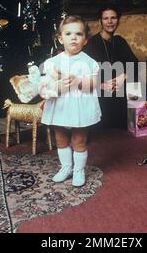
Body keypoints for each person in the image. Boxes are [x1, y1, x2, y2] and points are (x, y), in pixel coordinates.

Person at [40, 15, 101, 187]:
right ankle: (66, 167)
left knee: (79, 140)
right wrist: (55, 85)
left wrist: (78, 80)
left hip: (80, 106)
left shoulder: (89, 62)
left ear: (85, 40)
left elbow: (92, 85)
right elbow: (46, 84)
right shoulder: (52, 62)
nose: (73, 37)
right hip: (60, 104)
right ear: (60, 38)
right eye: (68, 34)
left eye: (78, 34)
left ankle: (79, 170)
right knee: (61, 139)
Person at [83, 6, 138, 128]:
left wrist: (122, 77)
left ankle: (135, 121)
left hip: (119, 86)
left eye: (113, 18)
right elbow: (85, 74)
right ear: (100, 21)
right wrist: (102, 84)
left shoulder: (119, 41)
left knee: (138, 76)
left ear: (118, 20)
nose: (109, 22)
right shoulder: (92, 44)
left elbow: (135, 63)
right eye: (105, 18)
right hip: (101, 89)